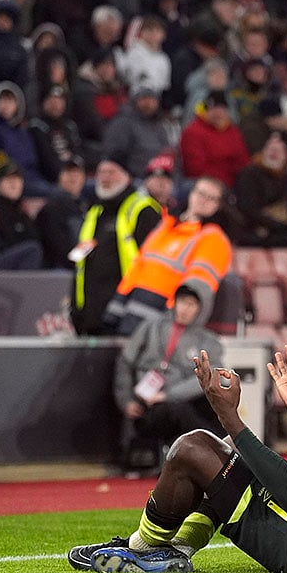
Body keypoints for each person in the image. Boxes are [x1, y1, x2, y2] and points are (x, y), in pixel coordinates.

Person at [68, 277, 287, 573]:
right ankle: (178, 551)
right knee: (229, 454)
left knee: (194, 447)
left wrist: (228, 415)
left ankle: (140, 548)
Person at [113, 283, 226, 476]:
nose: (184, 309)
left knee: (211, 405)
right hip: (149, 405)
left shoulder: (208, 341)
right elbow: (125, 361)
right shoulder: (151, 327)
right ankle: (220, 453)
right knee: (177, 410)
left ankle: (221, 452)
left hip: (179, 401)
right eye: (182, 302)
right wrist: (126, 400)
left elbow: (211, 375)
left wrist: (167, 395)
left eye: (191, 305)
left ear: (201, 309)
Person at [103, 176, 232, 336]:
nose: (203, 200)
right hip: (133, 310)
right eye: (201, 193)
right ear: (191, 193)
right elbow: (139, 264)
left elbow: (196, 287)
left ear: (218, 206)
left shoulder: (213, 238)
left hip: (164, 319)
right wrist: (119, 301)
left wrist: (172, 316)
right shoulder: (166, 224)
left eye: (211, 198)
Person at [70, 154, 161, 335]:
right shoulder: (95, 211)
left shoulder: (144, 210)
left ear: (127, 176)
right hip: (91, 316)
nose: (105, 178)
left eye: (112, 172)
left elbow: (154, 265)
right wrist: (78, 310)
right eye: (101, 172)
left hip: (125, 314)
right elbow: (81, 265)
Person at [0, 149, 43, 269]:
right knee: (32, 250)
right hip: (1, 265)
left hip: (17, 263)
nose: (14, 184)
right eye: (8, 179)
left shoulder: (20, 210)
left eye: (17, 179)